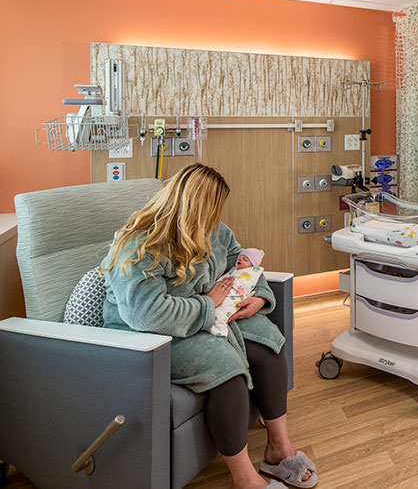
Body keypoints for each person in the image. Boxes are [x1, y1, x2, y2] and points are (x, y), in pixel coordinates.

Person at [100, 163, 316, 489]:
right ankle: (244, 479)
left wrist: (257, 297)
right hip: (150, 337)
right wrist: (207, 306)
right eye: (212, 210)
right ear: (192, 207)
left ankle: (278, 448)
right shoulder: (139, 246)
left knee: (269, 341)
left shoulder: (215, 231)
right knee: (224, 369)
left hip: (210, 316)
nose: (217, 220)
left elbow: (241, 265)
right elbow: (145, 314)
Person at [210, 247, 267, 338]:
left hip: (235, 297)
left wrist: (261, 298)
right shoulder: (234, 270)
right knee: (214, 311)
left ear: (252, 266)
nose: (240, 259)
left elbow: (246, 285)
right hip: (216, 295)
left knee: (221, 312)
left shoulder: (252, 274)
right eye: (240, 258)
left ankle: (219, 329)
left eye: (245, 259)